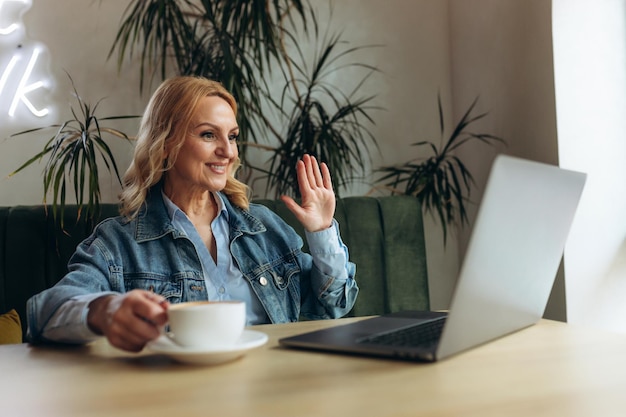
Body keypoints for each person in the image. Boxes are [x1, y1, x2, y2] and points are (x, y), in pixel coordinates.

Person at [26, 76, 358, 352]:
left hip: (276, 391)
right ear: (166, 142)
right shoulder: (119, 241)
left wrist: (322, 231)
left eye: (232, 137)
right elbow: (44, 313)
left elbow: (335, 304)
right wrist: (106, 311)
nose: (227, 152)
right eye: (208, 134)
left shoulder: (265, 227)